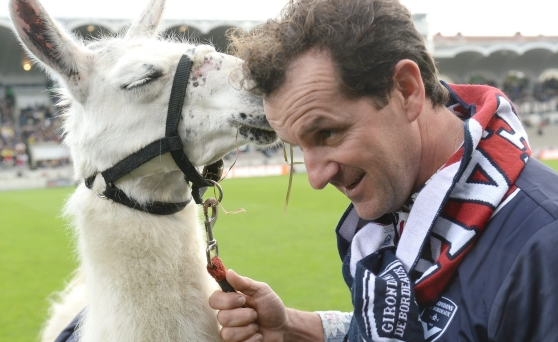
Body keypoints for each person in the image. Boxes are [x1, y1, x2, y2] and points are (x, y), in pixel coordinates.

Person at [208, 0, 558, 341]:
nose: (316, 178)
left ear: (406, 90)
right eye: (299, 147)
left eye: (328, 133)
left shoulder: (544, 246)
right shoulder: (389, 217)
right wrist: (294, 328)